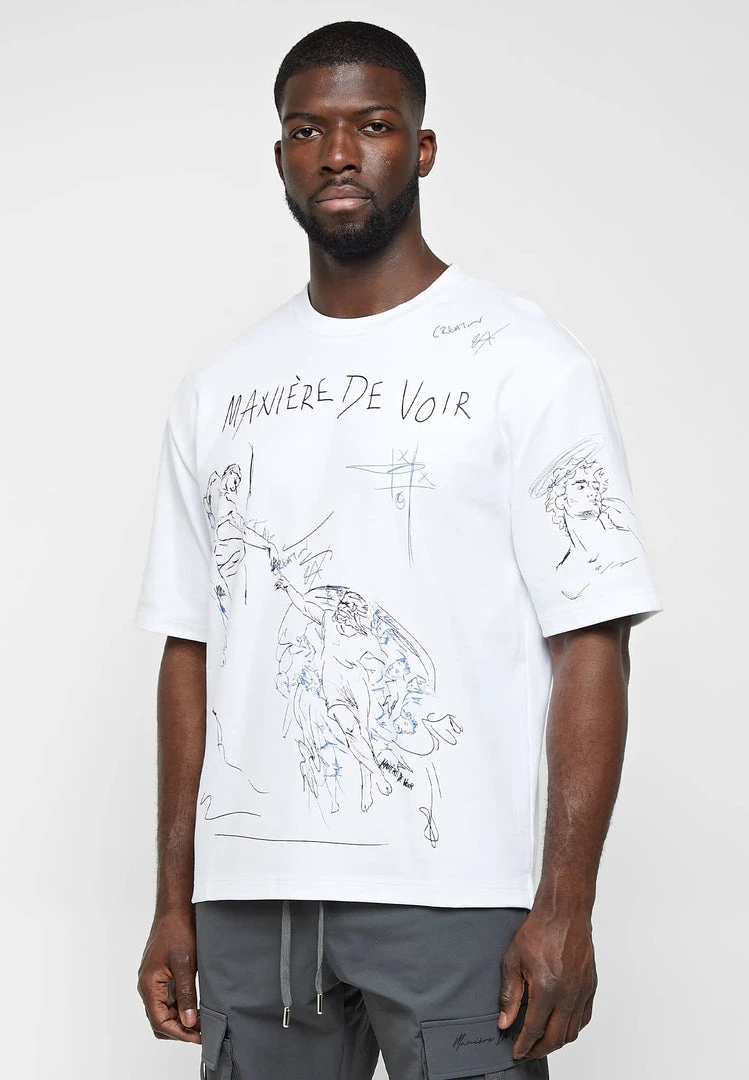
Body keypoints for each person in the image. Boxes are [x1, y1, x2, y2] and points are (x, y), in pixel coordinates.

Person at [135, 20, 663, 1080]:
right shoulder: (218, 391)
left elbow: (591, 642)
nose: (338, 153)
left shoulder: (527, 365)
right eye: (307, 131)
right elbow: (190, 650)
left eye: (371, 126)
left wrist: (564, 904)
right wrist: (174, 900)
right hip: (252, 908)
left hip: (455, 897)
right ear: (279, 156)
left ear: (420, 149)